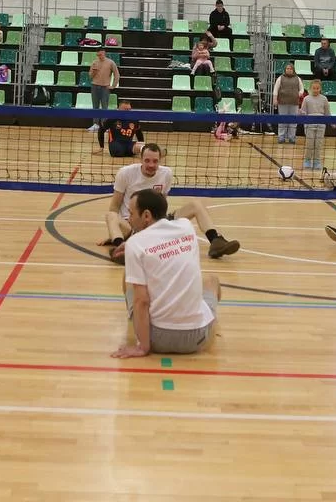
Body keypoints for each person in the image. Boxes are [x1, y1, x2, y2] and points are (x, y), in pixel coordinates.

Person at [111, 189, 222, 358]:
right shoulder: (186, 227)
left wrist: (142, 348)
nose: (129, 219)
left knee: (129, 277)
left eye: (131, 213)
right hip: (197, 339)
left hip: (157, 340)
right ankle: (208, 323)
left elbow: (142, 301)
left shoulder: (135, 244)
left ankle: (137, 325)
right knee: (212, 280)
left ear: (146, 215)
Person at [98, 143, 240, 263]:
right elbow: (114, 207)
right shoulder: (125, 173)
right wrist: (115, 232)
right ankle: (121, 248)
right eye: (147, 161)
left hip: (157, 224)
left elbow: (162, 203)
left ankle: (216, 241)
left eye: (155, 161)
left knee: (196, 205)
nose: (151, 165)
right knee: (110, 215)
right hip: (132, 225)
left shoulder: (166, 173)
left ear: (160, 160)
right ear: (140, 159)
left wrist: (163, 224)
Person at [87, 48, 120, 133]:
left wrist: (113, 86)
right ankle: (95, 124)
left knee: (104, 107)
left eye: (100, 54)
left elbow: (117, 75)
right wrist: (94, 72)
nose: (99, 56)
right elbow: (90, 76)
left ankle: (104, 125)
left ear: (104, 53)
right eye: (98, 55)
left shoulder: (111, 62)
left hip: (105, 87)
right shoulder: (94, 62)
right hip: (94, 86)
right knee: (95, 106)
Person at [300, 79, 329, 171]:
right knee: (310, 144)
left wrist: (332, 122)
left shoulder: (324, 99)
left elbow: (327, 112)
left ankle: (317, 161)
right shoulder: (306, 99)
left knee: (318, 144)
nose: (316, 90)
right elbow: (303, 111)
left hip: (321, 125)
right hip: (309, 125)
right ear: (310, 88)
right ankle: (307, 160)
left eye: (317, 88)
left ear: (320, 89)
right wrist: (301, 113)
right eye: (314, 88)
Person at [272, 61, 303, 144]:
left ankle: (292, 138)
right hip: (282, 103)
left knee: (293, 121)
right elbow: (275, 89)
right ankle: (281, 137)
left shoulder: (298, 78)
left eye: (290, 69)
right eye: (287, 68)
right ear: (285, 70)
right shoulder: (280, 78)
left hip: (294, 103)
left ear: (293, 70)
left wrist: (299, 93)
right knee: (282, 120)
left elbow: (302, 89)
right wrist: (275, 99)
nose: (289, 70)